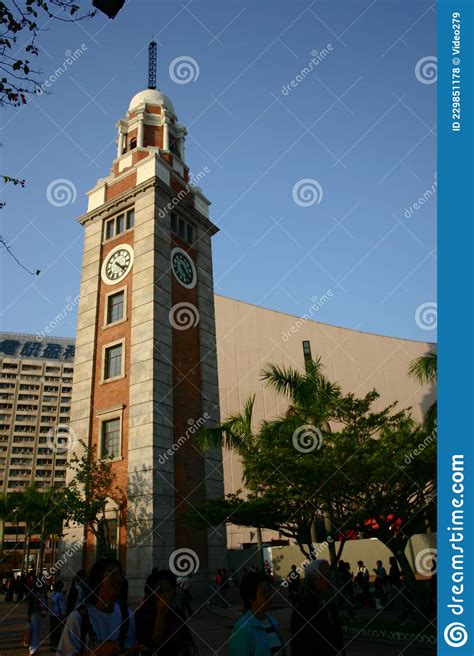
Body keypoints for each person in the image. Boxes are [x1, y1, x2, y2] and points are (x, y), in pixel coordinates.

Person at [57, 557, 136, 655]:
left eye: (119, 574)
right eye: (112, 573)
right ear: (97, 579)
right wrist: (98, 652)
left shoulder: (127, 617)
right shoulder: (78, 618)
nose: (117, 578)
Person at [135, 568, 198, 655]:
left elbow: (187, 639)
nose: (163, 596)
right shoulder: (142, 614)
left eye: (168, 592)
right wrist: (160, 614)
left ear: (173, 593)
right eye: (159, 592)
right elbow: (154, 644)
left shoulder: (177, 613)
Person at [290, 560, 345, 656]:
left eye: (330, 575)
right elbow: (300, 646)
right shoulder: (304, 608)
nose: (330, 579)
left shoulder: (330, 604)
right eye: (326, 576)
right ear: (314, 579)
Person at [229, 571, 286, 656]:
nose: (268, 595)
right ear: (251, 598)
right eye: (263, 592)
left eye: (268, 590)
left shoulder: (273, 622)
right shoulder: (243, 628)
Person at [26, 577, 48, 656]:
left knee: (38, 631)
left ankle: (35, 647)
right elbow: (30, 605)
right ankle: (33, 649)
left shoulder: (42, 592)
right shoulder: (33, 593)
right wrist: (28, 615)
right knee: (34, 631)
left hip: (40, 613)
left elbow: (45, 602)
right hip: (34, 613)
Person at [50, 580, 66, 651]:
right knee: (54, 630)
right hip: (54, 615)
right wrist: (59, 594)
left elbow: (63, 604)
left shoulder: (61, 594)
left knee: (59, 630)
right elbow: (54, 600)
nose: (61, 588)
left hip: (60, 615)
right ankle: (53, 645)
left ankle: (58, 644)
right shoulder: (54, 593)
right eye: (61, 587)